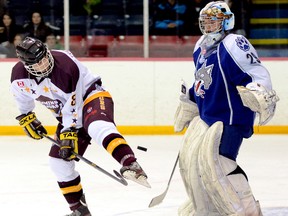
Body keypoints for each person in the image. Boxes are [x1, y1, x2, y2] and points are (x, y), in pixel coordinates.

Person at [10, 37, 150, 216]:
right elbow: (22, 100)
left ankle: (131, 164)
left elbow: (74, 106)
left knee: (97, 126)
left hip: (91, 97)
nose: (45, 63)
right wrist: (27, 117)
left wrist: (69, 134)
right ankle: (79, 210)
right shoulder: (18, 77)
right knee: (58, 163)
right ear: (26, 64)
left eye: (45, 57)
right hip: (66, 116)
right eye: (38, 62)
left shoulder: (66, 65)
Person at [174, 1, 279, 215]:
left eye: (214, 21)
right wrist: (192, 99)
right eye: (206, 22)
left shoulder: (234, 43)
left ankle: (247, 210)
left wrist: (259, 89)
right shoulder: (201, 47)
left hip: (230, 118)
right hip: (207, 117)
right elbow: (204, 80)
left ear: (226, 22)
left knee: (220, 164)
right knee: (197, 167)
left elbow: (254, 71)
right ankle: (210, 209)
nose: (209, 26)